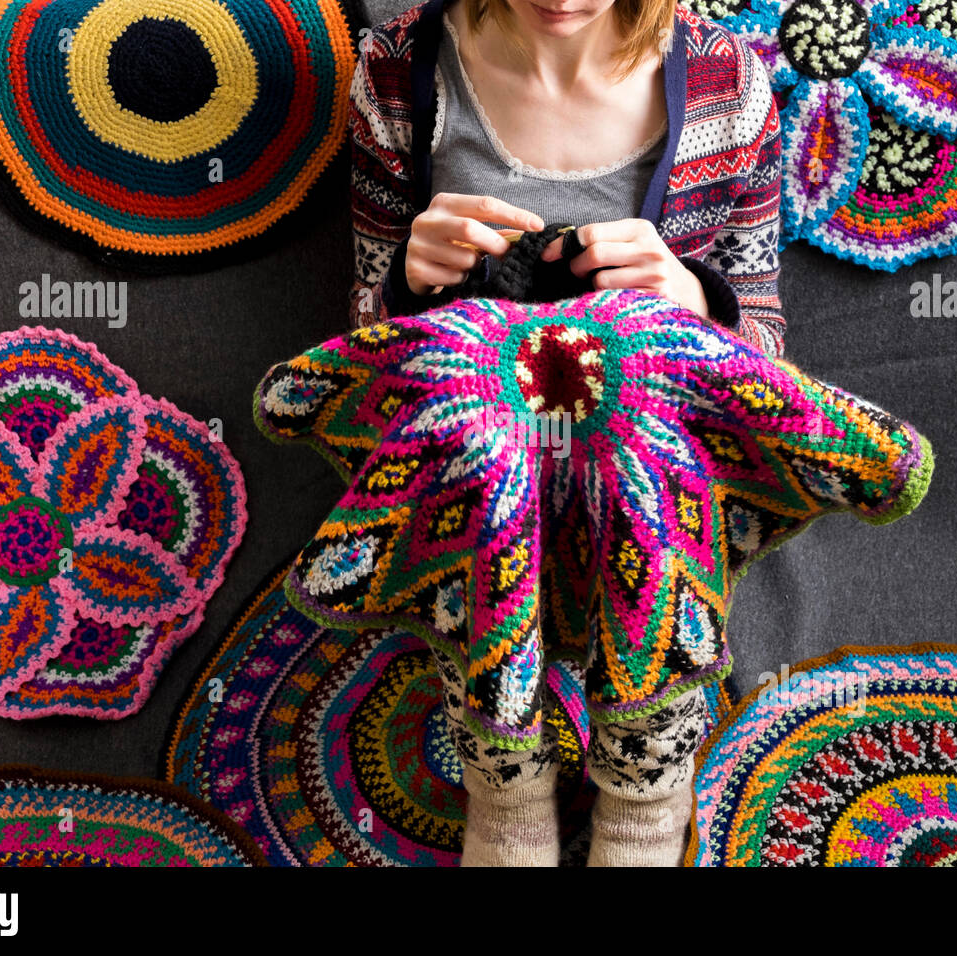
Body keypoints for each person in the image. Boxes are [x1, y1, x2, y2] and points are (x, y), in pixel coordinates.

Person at [346, 0, 784, 866]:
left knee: (648, 452)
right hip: (477, 460)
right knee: (469, 442)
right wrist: (403, 283)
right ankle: (507, 793)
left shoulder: (728, 84)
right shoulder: (399, 69)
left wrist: (696, 300)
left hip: (652, 465)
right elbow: (363, 352)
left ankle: (647, 797)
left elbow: (765, 360)